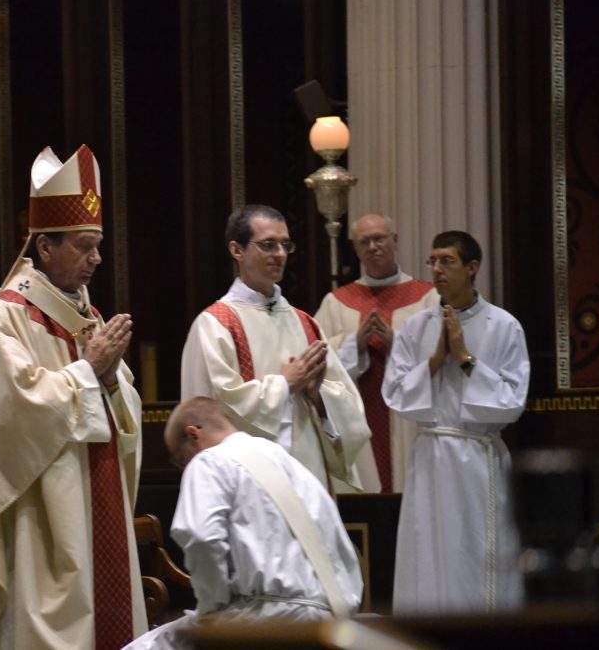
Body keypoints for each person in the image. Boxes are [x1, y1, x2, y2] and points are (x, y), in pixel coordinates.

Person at [0, 145, 147, 649]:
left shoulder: (88, 316)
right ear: (44, 248)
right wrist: (90, 371)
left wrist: (109, 381)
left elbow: (122, 411)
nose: (97, 259)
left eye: (98, 246)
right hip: (44, 511)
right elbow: (12, 414)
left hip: (98, 494)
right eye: (84, 246)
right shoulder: (8, 315)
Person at [125, 397, 363, 650]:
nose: (185, 467)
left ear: (193, 434)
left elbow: (200, 536)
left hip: (264, 618)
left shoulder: (210, 460)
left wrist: (211, 606)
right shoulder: (289, 463)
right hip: (328, 621)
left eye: (180, 459)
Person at [382, 230, 529, 615]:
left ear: (472, 268)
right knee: (429, 553)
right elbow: (395, 395)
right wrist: (433, 360)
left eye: (446, 260)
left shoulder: (504, 326)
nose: (436, 269)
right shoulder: (415, 328)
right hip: (431, 458)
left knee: (478, 554)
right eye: (432, 261)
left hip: (478, 459)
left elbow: (511, 402)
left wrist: (465, 358)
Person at [181, 204, 370, 491]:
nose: (280, 254)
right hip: (249, 483)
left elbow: (349, 406)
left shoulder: (305, 323)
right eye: (268, 245)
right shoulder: (216, 324)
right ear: (237, 250)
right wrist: (284, 385)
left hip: (309, 477)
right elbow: (212, 408)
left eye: (285, 245)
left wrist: (318, 397)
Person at [314, 213, 438, 493]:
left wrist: (398, 344)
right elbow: (317, 358)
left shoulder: (427, 297)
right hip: (359, 414)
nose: (373, 247)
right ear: (356, 250)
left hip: (410, 421)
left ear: (395, 241)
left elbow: (442, 356)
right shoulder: (336, 302)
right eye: (364, 242)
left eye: (379, 239)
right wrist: (353, 344)